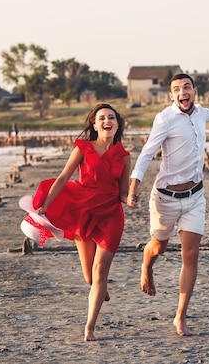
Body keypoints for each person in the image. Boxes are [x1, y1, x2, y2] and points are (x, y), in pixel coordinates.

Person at [127, 73, 209, 336]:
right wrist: (134, 185)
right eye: (176, 89)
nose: (182, 92)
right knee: (159, 246)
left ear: (195, 91)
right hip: (165, 199)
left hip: (195, 198)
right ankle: (147, 265)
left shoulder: (201, 114)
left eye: (187, 87)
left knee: (191, 255)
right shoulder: (165, 118)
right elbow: (148, 151)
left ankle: (180, 315)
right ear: (171, 96)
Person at [19, 103, 131, 342]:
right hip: (83, 211)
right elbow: (63, 177)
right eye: (101, 118)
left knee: (100, 271)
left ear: (117, 124)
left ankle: (89, 327)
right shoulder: (83, 147)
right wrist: (46, 206)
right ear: (94, 123)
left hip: (111, 215)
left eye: (111, 117)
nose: (106, 121)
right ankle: (99, 289)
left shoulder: (124, 155)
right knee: (90, 278)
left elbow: (122, 191)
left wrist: (130, 198)